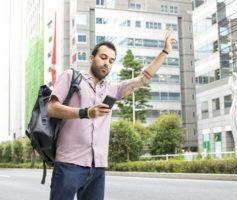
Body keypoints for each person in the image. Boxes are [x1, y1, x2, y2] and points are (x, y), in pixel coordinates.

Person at [47, 29, 176, 200]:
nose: (107, 63)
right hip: (69, 163)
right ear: (91, 58)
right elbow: (52, 108)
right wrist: (86, 112)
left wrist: (165, 51)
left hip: (97, 167)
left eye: (111, 61)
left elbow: (143, 78)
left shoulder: (112, 89)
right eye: (103, 57)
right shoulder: (71, 77)